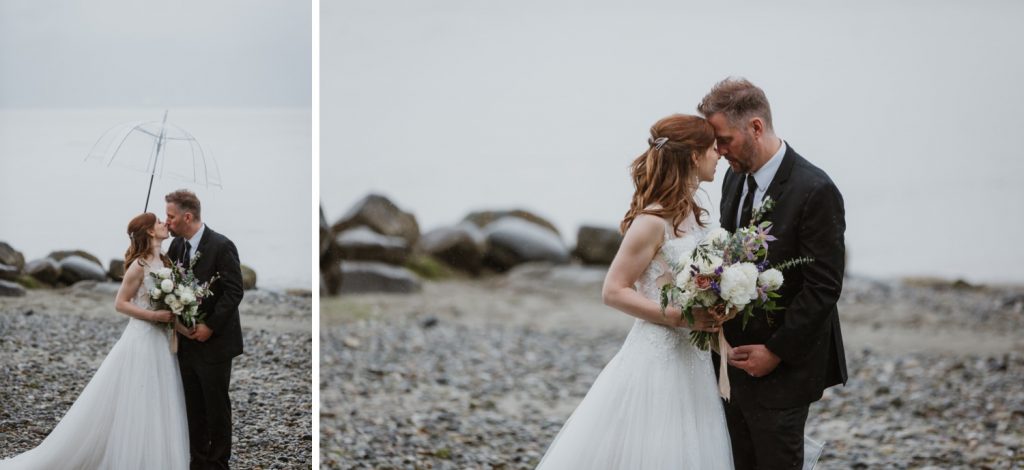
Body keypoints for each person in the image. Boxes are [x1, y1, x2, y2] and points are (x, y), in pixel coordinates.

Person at [536, 114, 734, 469]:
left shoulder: (692, 213)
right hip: (657, 358)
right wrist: (677, 316)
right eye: (711, 148)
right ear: (693, 156)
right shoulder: (651, 222)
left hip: (695, 359)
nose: (718, 154)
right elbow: (613, 290)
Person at [698, 77, 847, 470]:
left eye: (724, 139)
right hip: (733, 362)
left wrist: (776, 352)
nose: (718, 150)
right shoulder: (733, 177)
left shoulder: (815, 190)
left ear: (756, 127)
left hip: (785, 368)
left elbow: (823, 287)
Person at [0, 213, 190, 469]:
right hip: (141, 338)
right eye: (158, 222)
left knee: (160, 399)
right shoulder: (139, 266)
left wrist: (184, 328)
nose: (165, 224)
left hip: (162, 341)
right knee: (137, 397)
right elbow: (120, 304)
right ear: (148, 232)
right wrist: (153, 315)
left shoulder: (166, 262)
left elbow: (169, 305)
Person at [164, 189, 244, 470]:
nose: (167, 222)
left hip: (216, 342)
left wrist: (209, 326)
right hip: (186, 342)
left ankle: (219, 463)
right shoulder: (176, 248)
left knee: (216, 407)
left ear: (188, 216)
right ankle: (197, 461)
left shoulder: (222, 246)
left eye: (171, 217)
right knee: (192, 406)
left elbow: (234, 292)